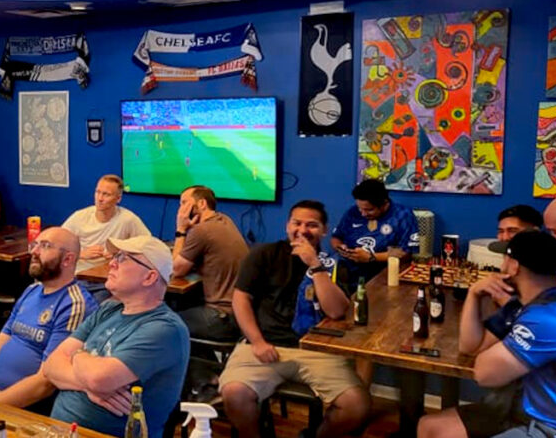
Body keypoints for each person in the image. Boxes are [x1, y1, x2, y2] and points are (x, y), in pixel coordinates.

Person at [417, 231, 556, 438]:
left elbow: (484, 375)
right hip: (536, 412)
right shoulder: (546, 303)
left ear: (514, 266)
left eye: (505, 257)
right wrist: (474, 294)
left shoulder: (547, 319)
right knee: (431, 427)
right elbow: (469, 347)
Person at [220, 200, 370, 438]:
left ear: (323, 229)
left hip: (316, 350)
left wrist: (315, 265)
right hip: (263, 346)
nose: (302, 230)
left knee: (356, 405)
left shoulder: (333, 263)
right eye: (296, 223)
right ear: (287, 225)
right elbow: (240, 299)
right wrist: (257, 342)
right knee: (233, 393)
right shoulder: (264, 254)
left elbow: (336, 311)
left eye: (311, 225)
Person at [44, 235, 189, 437]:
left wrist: (77, 355)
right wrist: (88, 387)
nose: (111, 263)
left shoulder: (165, 329)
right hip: (58, 431)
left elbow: (98, 379)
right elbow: (50, 366)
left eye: (122, 258)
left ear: (150, 277)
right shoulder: (110, 309)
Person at [0, 227, 98, 408]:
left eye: (45, 246)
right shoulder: (32, 291)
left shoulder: (74, 304)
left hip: (20, 405)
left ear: (68, 259)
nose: (34, 251)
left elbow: (45, 383)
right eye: (35, 244)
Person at [172, 185, 249, 341]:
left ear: (201, 204)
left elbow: (175, 271)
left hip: (221, 319)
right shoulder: (225, 220)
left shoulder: (202, 231)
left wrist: (181, 230)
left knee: (159, 322)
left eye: (184, 203)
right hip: (242, 315)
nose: (180, 211)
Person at [330, 179, 419, 282]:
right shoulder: (353, 212)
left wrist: (371, 257)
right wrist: (341, 248)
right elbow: (336, 237)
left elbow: (406, 253)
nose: (363, 214)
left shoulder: (403, 216)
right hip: (346, 269)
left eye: (369, 210)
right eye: (360, 208)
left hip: (382, 274)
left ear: (384, 204)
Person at [61, 174, 150, 276]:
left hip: (109, 278)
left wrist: (120, 253)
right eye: (98, 192)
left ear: (118, 198)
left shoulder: (128, 219)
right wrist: (80, 254)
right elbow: (57, 245)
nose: (100, 198)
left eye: (106, 194)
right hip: (79, 276)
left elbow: (148, 245)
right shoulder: (79, 217)